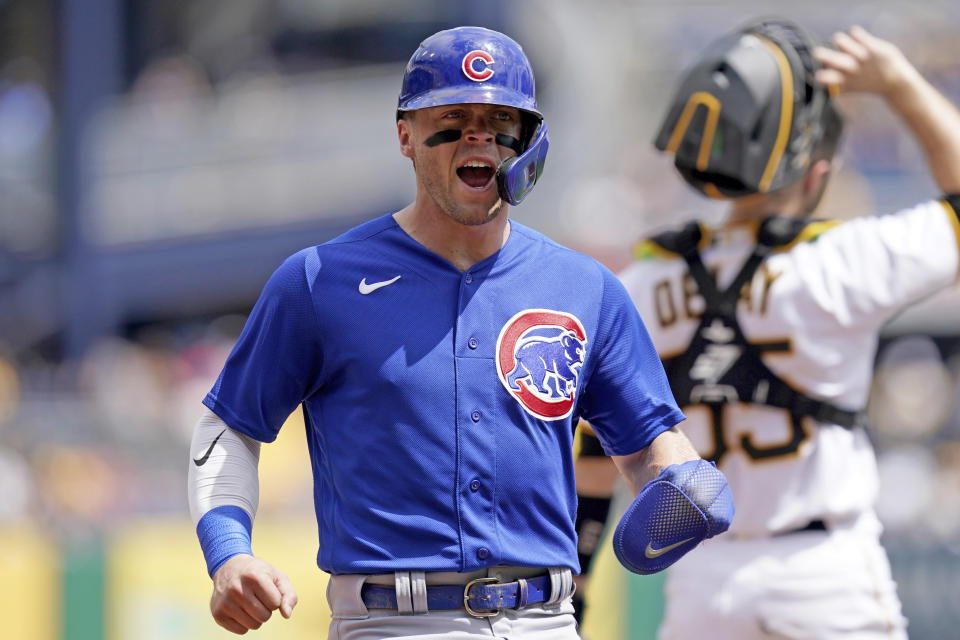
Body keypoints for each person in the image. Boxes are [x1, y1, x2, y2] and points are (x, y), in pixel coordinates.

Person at [187, 25, 733, 639]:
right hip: (393, 622)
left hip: (545, 622)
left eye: (500, 119)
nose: (478, 136)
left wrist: (682, 476)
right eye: (452, 116)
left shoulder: (587, 288)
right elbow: (229, 427)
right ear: (406, 136)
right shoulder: (319, 281)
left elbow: (647, 447)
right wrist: (228, 552)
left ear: (527, 141)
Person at [574, 18, 960, 639]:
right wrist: (898, 83)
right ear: (816, 172)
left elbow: (595, 451)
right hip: (824, 576)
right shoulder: (843, 259)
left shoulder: (643, 282)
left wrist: (581, 583)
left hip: (700, 581)